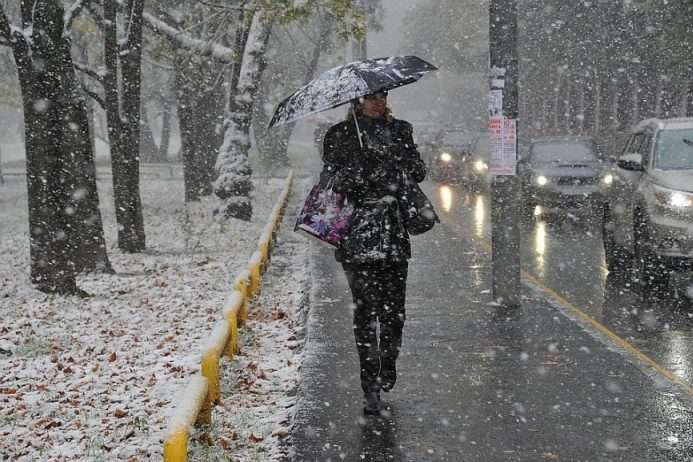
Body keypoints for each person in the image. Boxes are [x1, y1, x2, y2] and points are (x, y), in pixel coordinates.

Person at [320, 90, 427, 415]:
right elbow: (329, 180)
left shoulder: (400, 130)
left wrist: (396, 164)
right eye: (370, 97)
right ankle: (370, 385)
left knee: (394, 313)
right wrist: (359, 173)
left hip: (393, 235)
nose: (377, 102)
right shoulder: (339, 135)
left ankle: (387, 363)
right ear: (357, 101)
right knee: (365, 314)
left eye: (381, 96)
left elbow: (419, 171)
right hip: (357, 236)